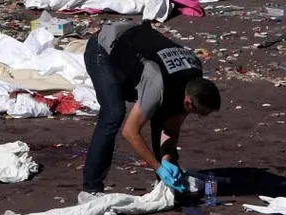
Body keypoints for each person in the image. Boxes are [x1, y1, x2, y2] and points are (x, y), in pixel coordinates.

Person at [80, 20, 223, 201]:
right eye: (199, 113)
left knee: (163, 114)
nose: (198, 116)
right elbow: (130, 132)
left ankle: (164, 182)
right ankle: (90, 188)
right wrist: (158, 167)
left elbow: (170, 129)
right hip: (104, 49)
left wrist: (167, 161)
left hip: (137, 53)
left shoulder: (194, 76)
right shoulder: (157, 83)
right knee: (113, 114)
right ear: (189, 103)